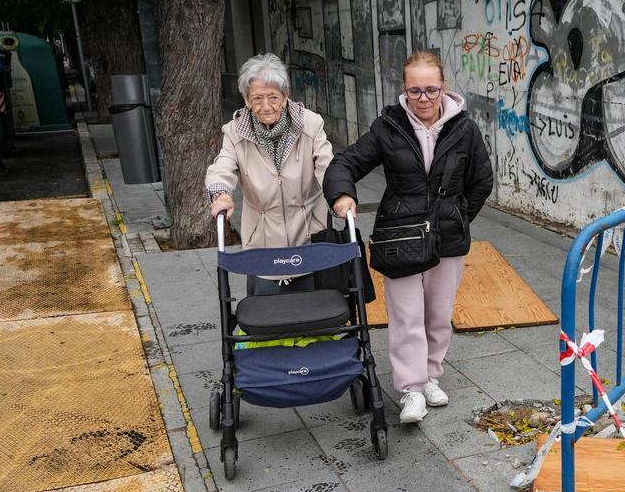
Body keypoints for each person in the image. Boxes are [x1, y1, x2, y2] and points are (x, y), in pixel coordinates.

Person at [324, 51, 494, 424]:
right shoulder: (389, 127)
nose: (423, 99)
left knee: (438, 314)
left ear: (443, 88)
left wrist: (459, 216)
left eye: (430, 90)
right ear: (404, 90)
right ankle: (411, 390)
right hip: (400, 234)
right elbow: (346, 162)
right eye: (414, 91)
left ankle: (431, 375)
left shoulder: (464, 129)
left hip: (447, 237)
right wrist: (342, 195)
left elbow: (482, 180)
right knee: (406, 316)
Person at [205, 53, 333, 294]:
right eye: (257, 98)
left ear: (285, 97)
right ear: (246, 99)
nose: (265, 106)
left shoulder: (310, 124)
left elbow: (328, 166)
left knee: (315, 316)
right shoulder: (235, 133)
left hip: (309, 234)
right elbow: (222, 166)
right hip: (262, 239)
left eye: (273, 97)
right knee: (268, 314)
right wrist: (221, 194)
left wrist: (340, 193)